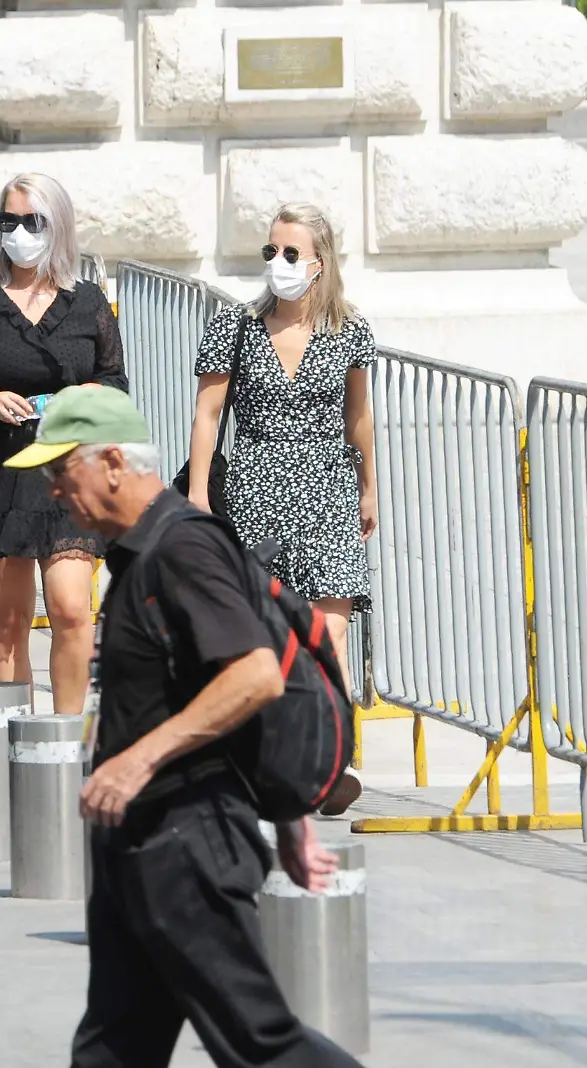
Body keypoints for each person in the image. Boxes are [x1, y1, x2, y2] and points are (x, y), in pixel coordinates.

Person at [3, 387, 360, 1068]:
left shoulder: (182, 549)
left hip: (185, 842)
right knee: (113, 1048)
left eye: (59, 472)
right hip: (142, 840)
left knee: (259, 1042)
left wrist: (139, 760)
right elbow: (211, 682)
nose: (52, 492)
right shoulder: (142, 552)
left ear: (111, 462)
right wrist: (285, 816)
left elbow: (255, 674)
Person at [184, 202, 375, 814]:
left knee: (330, 637)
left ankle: (330, 761)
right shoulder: (234, 326)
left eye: (291, 253)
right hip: (253, 494)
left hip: (327, 489)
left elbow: (359, 416)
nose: (278, 263)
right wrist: (196, 496)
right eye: (271, 251)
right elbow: (208, 414)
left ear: (320, 263)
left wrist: (370, 486)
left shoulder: (350, 331)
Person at [0, 172, 125, 716]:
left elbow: (115, 381)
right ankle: (16, 742)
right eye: (8, 221)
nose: (18, 233)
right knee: (8, 622)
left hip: (67, 474)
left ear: (56, 227)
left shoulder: (87, 304)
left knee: (72, 609)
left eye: (31, 222)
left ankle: (67, 736)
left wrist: (82, 396)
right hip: (0, 471)